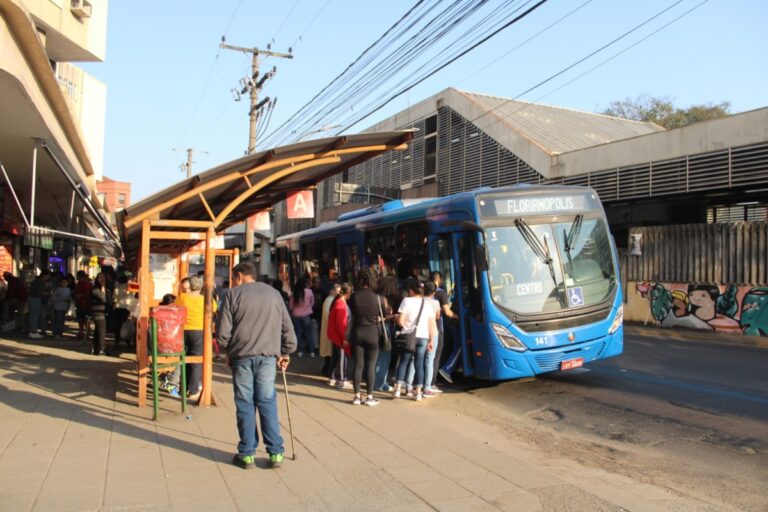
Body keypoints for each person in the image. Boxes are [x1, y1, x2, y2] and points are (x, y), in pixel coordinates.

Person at [217, 262, 296, 470]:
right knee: (267, 400)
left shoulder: (233, 295)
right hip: (268, 356)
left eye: (234, 278)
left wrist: (226, 350)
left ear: (240, 276)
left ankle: (247, 454)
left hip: (242, 356)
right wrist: (286, 351)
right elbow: (286, 325)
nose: (234, 282)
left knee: (245, 402)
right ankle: (276, 453)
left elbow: (223, 331)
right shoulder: (274, 294)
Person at [393, 280, 437, 401]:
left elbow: (401, 321)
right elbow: (432, 324)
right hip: (423, 338)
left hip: (408, 336)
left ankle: (397, 390)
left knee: (404, 362)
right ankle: (418, 393)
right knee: (419, 364)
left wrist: (403, 325)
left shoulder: (406, 301)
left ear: (411, 290)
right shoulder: (427, 304)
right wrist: (431, 340)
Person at [174, 275, 214, 401]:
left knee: (184, 359)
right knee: (196, 362)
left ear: (189, 286)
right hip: (199, 331)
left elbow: (175, 308)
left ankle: (183, 388)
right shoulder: (206, 300)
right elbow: (214, 309)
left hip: (183, 331)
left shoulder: (182, 298)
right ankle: (193, 390)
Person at [348, 272, 383, 406]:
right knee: (371, 365)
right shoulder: (376, 298)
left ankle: (357, 396)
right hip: (372, 332)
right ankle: (369, 396)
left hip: (357, 332)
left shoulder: (354, 296)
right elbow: (382, 313)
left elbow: (351, 313)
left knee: (358, 364)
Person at [327, 283, 353, 390]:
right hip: (340, 336)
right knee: (342, 358)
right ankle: (342, 379)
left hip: (335, 335)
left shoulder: (337, 302)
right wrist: (345, 338)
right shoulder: (341, 305)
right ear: (348, 293)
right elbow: (341, 325)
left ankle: (333, 377)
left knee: (336, 357)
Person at [288, 277, 315, 358]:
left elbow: (291, 306)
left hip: (296, 315)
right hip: (306, 315)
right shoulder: (309, 291)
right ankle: (312, 352)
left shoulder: (294, 293)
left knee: (298, 333)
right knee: (308, 334)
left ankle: (300, 351)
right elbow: (312, 303)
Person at [319, 283, 341, 378]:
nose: (339, 293)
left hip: (327, 330)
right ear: (332, 291)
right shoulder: (330, 301)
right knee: (330, 353)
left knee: (329, 354)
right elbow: (330, 316)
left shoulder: (329, 300)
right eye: (338, 291)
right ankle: (328, 371)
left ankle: (326, 369)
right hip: (329, 331)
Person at [90, 273, 111, 355]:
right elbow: (103, 298)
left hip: (104, 311)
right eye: (100, 277)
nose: (102, 279)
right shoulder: (95, 288)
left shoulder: (107, 288)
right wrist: (102, 286)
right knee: (102, 330)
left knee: (98, 331)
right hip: (98, 311)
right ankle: (102, 349)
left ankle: (96, 348)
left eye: (103, 277)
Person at [28, 271, 51, 338]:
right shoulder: (40, 282)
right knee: (35, 315)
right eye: (48, 276)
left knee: (32, 315)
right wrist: (47, 294)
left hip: (32, 298)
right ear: (45, 275)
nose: (49, 277)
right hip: (36, 299)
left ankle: (31, 331)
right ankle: (33, 331)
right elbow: (40, 292)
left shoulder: (36, 281)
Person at [73, 271, 92, 339]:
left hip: (85, 304)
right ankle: (80, 333)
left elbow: (88, 294)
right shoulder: (79, 283)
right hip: (79, 304)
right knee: (80, 319)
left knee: (86, 320)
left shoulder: (87, 284)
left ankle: (87, 334)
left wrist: (80, 296)